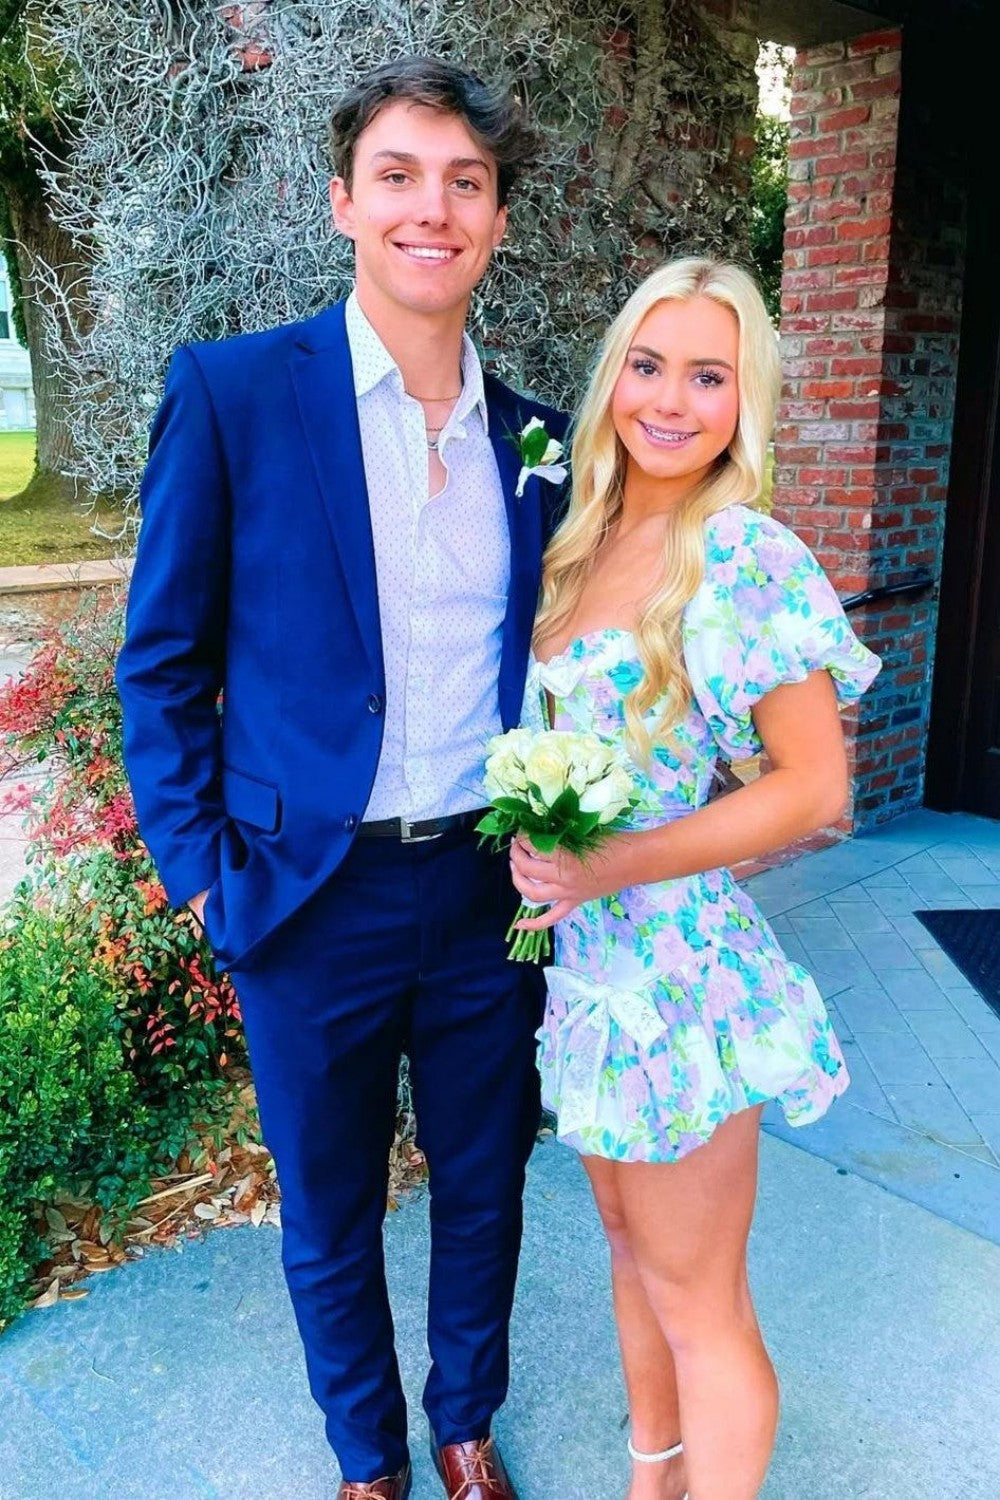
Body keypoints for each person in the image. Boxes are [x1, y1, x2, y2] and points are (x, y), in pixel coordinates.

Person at [117, 56, 568, 1500]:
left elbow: (568, 664)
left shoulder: (539, 442)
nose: (431, 208)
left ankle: (463, 1424)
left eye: (465, 182)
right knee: (328, 1211)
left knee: (487, 1188)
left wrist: (570, 836)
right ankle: (366, 1459)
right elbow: (163, 660)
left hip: (487, 889)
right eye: (399, 174)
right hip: (306, 892)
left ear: (496, 222)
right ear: (343, 202)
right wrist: (197, 870)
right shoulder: (239, 394)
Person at [509, 257, 880, 1500]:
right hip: (588, 975)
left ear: (745, 399)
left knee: (700, 1299)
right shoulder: (579, 536)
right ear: (615, 373)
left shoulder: (746, 557)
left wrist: (612, 860)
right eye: (649, 364)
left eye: (708, 375)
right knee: (627, 1249)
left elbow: (815, 788)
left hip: (680, 980)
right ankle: (650, 1476)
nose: (670, 401)